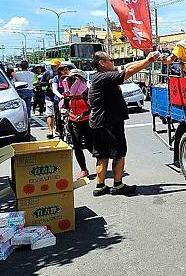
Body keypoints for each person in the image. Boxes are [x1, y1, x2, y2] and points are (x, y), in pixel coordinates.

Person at [89, 50, 160, 197]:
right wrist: (148, 61)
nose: (113, 63)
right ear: (102, 63)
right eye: (111, 60)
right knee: (118, 153)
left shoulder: (100, 77)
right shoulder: (104, 77)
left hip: (99, 122)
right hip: (109, 122)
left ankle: (100, 186)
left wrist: (148, 60)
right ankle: (118, 184)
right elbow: (128, 72)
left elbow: (127, 66)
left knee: (102, 156)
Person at [61, 69, 92, 179]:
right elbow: (65, 104)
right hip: (73, 122)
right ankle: (83, 169)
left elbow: (93, 107)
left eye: (74, 79)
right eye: (70, 79)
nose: (71, 81)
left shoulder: (87, 92)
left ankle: (101, 161)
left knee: (90, 144)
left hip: (87, 121)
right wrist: (64, 110)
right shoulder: (68, 92)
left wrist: (83, 113)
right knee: (77, 146)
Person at [41, 59, 61, 139]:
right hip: (49, 96)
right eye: (52, 65)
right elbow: (41, 85)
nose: (53, 67)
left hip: (60, 97)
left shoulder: (62, 73)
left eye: (55, 65)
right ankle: (50, 131)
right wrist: (47, 82)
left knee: (59, 114)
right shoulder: (47, 73)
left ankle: (59, 130)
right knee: (50, 114)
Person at [52, 63, 71, 140]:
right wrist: (60, 96)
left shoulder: (71, 78)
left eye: (67, 69)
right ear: (60, 71)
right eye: (63, 70)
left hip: (70, 99)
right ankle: (60, 132)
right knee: (58, 116)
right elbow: (54, 89)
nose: (65, 71)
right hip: (59, 100)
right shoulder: (56, 78)